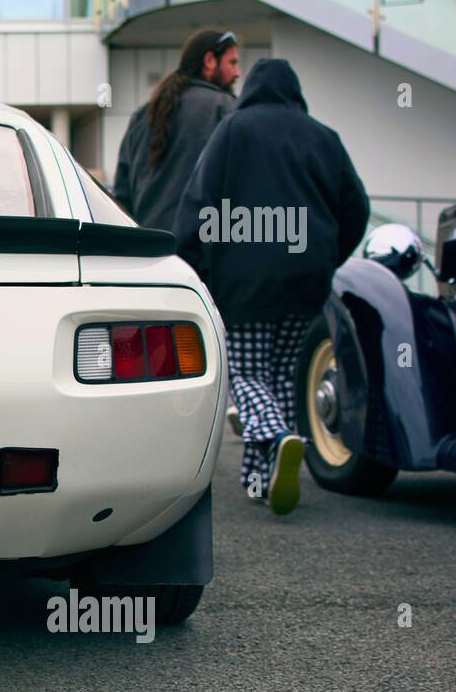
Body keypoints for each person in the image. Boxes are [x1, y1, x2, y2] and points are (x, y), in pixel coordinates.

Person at [173, 58, 369, 516]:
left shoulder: (234, 131)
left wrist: (190, 262)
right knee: (280, 378)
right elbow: (356, 207)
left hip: (244, 285)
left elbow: (198, 202)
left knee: (244, 375)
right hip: (305, 285)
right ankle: (262, 482)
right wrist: (326, 255)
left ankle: (281, 437)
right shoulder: (324, 137)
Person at [113, 29, 241, 233]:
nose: (237, 73)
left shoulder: (144, 115)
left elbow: (122, 194)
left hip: (149, 248)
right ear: (210, 61)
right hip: (198, 249)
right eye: (232, 63)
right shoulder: (225, 109)